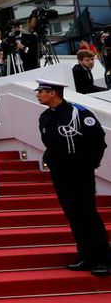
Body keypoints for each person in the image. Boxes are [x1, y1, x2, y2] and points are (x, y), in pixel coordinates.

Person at [35, 79, 110, 275]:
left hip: (80, 172)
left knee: (88, 214)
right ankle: (86, 255)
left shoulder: (79, 113)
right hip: (60, 173)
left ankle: (103, 259)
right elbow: (50, 144)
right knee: (73, 215)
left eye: (41, 91)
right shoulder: (45, 117)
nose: (37, 94)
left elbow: (98, 141)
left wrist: (89, 164)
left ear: (53, 93)